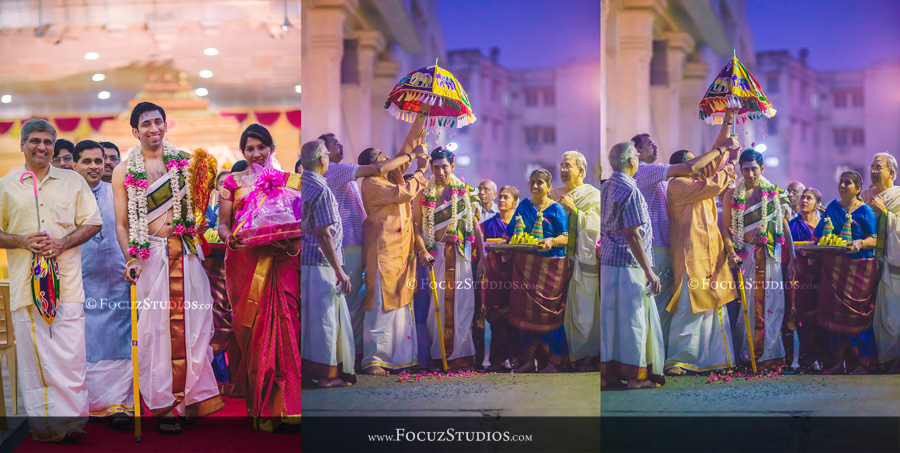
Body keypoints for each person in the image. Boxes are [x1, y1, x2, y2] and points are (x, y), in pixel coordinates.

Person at [112, 102, 223, 434]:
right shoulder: (123, 170)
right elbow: (121, 225)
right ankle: (163, 406)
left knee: (197, 325)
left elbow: (205, 207)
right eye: (146, 124)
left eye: (158, 122)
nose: (153, 128)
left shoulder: (186, 164)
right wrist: (130, 258)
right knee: (155, 331)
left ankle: (192, 398)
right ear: (135, 131)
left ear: (165, 125)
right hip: (150, 258)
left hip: (186, 254)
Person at [0, 119, 102, 441]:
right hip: (25, 288)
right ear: (22, 145)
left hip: (67, 286)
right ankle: (45, 427)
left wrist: (62, 243)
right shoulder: (6, 185)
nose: (41, 147)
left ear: (54, 145)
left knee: (70, 356)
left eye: (47, 141)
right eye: (34, 141)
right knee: (34, 359)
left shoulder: (72, 181)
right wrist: (21, 241)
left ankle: (72, 423)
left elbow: (93, 222)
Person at [319, 122, 426, 368]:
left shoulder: (374, 178)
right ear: (324, 152)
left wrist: (422, 118)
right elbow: (397, 180)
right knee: (363, 304)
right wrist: (417, 164)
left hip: (365, 247)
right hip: (349, 248)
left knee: (356, 305)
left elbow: (398, 158)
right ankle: (353, 359)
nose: (340, 144)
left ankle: (352, 356)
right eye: (335, 143)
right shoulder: (348, 174)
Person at [216, 124, 301, 430]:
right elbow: (224, 225)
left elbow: (301, 223)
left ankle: (289, 407)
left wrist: (291, 243)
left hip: (282, 263)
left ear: (271, 148)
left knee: (287, 326)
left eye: (260, 148)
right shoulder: (232, 182)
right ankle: (264, 410)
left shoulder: (291, 181)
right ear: (243, 152)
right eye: (249, 149)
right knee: (255, 330)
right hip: (246, 263)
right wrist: (231, 239)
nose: (255, 154)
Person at [631, 109, 735, 351]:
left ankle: (659, 355)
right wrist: (726, 159)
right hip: (656, 250)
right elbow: (705, 174)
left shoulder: (667, 179)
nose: (655, 147)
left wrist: (728, 122)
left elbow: (707, 168)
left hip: (667, 249)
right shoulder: (660, 176)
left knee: (665, 307)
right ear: (636, 151)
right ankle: (657, 357)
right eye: (649, 144)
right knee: (661, 306)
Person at [664, 139, 741, 376]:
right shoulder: (677, 185)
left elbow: (713, 164)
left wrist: (728, 147)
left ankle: (714, 360)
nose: (699, 164)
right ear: (682, 167)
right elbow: (715, 183)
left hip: (712, 257)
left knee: (714, 308)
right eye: (692, 162)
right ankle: (679, 359)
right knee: (690, 307)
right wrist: (731, 164)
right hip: (690, 258)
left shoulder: (700, 182)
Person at [73, 140, 133, 430]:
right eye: (88, 161)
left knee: (121, 341)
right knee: (87, 342)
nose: (96, 166)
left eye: (101, 161)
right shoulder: (67, 197)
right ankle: (91, 404)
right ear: (75, 165)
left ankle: (120, 404)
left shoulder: (118, 194)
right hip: (81, 284)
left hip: (117, 284)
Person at [358, 144, 429, 375]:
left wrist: (422, 116)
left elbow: (408, 150)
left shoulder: (390, 179)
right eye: (381, 157)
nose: (388, 158)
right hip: (383, 256)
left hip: (401, 255)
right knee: (381, 307)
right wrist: (420, 171)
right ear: (372, 165)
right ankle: (374, 360)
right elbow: (405, 193)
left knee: (401, 308)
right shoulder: (372, 183)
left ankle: (400, 358)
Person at [721, 149, 795, 371]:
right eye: (746, 169)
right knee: (747, 307)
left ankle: (771, 358)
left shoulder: (774, 194)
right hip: (746, 259)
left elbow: (784, 226)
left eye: (754, 169)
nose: (750, 173)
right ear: (740, 169)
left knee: (774, 307)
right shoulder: (732, 195)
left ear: (762, 169)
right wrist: (732, 253)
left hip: (771, 256)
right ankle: (747, 357)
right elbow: (725, 229)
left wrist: (792, 259)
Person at [599, 141, 665, 389]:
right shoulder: (630, 189)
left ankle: (608, 375)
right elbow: (633, 233)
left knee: (610, 322)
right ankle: (637, 378)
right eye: (636, 156)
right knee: (634, 321)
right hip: (629, 265)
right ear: (630, 162)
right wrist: (649, 271)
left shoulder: (605, 187)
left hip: (608, 263)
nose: (638, 160)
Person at [413, 147, 481, 370]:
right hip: (436, 256)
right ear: (430, 167)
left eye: (444, 166)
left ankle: (461, 358)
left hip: (461, 254)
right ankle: (439, 356)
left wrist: (484, 259)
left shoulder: (465, 192)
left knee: (463, 306)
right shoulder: (423, 193)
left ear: (452, 167)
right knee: (436, 308)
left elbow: (476, 227)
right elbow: (415, 226)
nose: (440, 171)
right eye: (436, 166)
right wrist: (422, 250)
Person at [300, 139, 357, 387]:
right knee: (325, 320)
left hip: (304, 262)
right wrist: (340, 271)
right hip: (321, 263)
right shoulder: (321, 189)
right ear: (323, 160)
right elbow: (324, 233)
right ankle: (326, 375)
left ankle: (310, 371)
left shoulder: (300, 183)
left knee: (310, 321)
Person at [810, 171, 878, 375]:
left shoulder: (865, 211)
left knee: (858, 317)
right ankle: (836, 363)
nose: (842, 185)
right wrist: (809, 246)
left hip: (859, 270)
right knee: (833, 316)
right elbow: (820, 235)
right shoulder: (832, 207)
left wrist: (860, 242)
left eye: (848, 183)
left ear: (858, 189)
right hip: (834, 268)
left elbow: (873, 239)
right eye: (841, 181)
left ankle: (862, 364)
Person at [503, 169, 569, 373]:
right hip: (525, 267)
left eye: (540, 182)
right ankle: (528, 360)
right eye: (532, 182)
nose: (534, 186)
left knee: (549, 315)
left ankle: (554, 362)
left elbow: (565, 237)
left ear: (549, 187)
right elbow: (512, 233)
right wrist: (502, 246)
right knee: (525, 315)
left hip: (549, 269)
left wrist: (552, 240)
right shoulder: (523, 206)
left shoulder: (556, 209)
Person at [552, 151, 602, 371]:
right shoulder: (554, 194)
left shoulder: (592, 195)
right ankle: (562, 356)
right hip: (557, 262)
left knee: (584, 309)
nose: (563, 169)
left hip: (582, 261)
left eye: (568, 166)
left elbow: (596, 227)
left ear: (581, 171)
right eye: (561, 165)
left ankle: (587, 356)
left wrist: (574, 211)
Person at [865, 153, 900, 373]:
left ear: (892, 173)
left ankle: (894, 360)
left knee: (892, 314)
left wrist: (884, 213)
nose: (874, 171)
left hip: (892, 266)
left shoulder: (898, 196)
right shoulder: (867, 195)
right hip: (869, 266)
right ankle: (876, 359)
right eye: (873, 167)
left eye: (879, 167)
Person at [481, 186, 520, 371]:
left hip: (517, 276)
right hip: (495, 278)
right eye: (501, 197)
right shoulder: (488, 225)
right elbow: (480, 248)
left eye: (507, 197)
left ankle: (516, 358)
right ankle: (497, 360)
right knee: (496, 318)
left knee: (516, 317)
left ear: (515, 202)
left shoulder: (521, 225)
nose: (502, 200)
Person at [786, 187, 826, 371]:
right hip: (799, 276)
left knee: (820, 317)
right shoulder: (792, 225)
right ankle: (805, 360)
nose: (804, 200)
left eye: (809, 198)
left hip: (820, 275)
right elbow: (786, 246)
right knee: (801, 317)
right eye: (803, 197)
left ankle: (821, 359)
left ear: (817, 204)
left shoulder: (824, 226)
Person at [204, 170, 233, 392]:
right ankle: (215, 378)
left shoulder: (236, 206)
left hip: (230, 267)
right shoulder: (207, 209)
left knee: (227, 317)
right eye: (221, 183)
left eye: (228, 182)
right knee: (212, 318)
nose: (224, 186)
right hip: (210, 268)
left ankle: (228, 377)